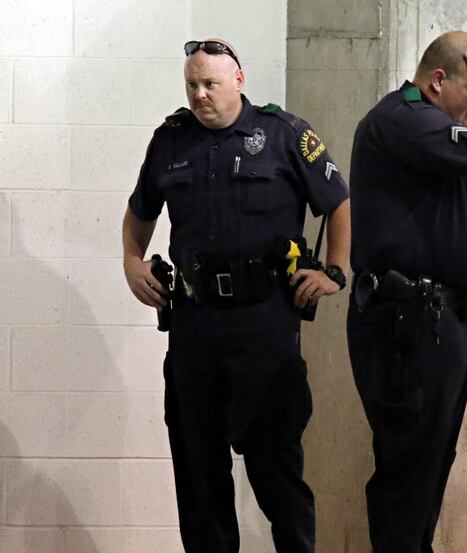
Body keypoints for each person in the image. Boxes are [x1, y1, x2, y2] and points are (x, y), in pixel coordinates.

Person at [121, 38, 350, 553]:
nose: (200, 94)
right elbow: (140, 211)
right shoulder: (171, 140)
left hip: (265, 322)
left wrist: (335, 270)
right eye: (192, 84)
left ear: (239, 82)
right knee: (199, 476)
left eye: (211, 84)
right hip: (195, 324)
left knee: (276, 472)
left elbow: (337, 200)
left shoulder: (284, 134)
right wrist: (132, 262)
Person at [347, 31, 467, 553]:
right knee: (408, 474)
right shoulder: (405, 118)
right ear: (438, 80)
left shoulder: (435, 126)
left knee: (424, 470)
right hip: (409, 323)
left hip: (436, 320)